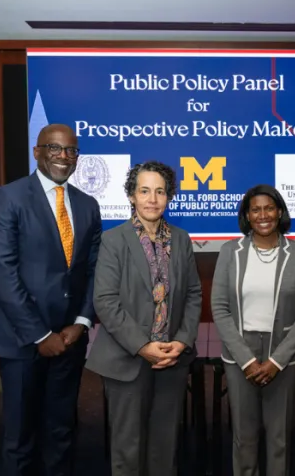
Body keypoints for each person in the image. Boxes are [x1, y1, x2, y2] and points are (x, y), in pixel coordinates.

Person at [0, 124, 102, 476]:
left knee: (62, 432)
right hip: (22, 342)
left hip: (69, 340)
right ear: (37, 152)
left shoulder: (87, 205)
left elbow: (94, 270)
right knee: (20, 438)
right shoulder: (9, 198)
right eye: (54, 148)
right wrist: (40, 335)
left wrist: (81, 322)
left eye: (71, 151)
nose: (63, 157)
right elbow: (1, 274)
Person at [85, 161, 202, 476]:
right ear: (131, 196)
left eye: (160, 191)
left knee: (165, 450)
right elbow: (105, 301)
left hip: (171, 361)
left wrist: (181, 340)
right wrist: (142, 346)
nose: (152, 199)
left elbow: (193, 294)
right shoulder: (114, 240)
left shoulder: (180, 239)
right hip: (127, 361)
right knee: (128, 451)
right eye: (144, 191)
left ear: (169, 197)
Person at [211, 184, 295, 476]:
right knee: (244, 438)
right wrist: (246, 360)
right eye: (255, 209)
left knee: (279, 438)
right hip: (239, 354)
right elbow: (220, 308)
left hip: (283, 355)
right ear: (247, 215)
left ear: (279, 211)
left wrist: (276, 361)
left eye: (269, 208)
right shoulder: (230, 251)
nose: (263, 215)